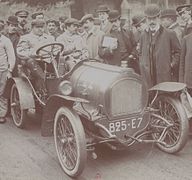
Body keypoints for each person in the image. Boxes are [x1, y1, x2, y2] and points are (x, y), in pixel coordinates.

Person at [139, 4, 181, 88]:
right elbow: (140, 53)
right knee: (149, 99)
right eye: (149, 19)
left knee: (164, 98)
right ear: (146, 19)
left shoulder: (169, 33)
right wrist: (143, 65)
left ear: (159, 18)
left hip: (164, 76)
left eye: (154, 18)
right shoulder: (143, 35)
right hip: (148, 77)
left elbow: (178, 52)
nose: (152, 22)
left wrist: (171, 65)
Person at [17, 19, 54, 95]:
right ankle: (43, 91)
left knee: (62, 60)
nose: (40, 29)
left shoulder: (50, 38)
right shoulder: (26, 38)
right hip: (34, 62)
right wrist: (32, 54)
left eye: (42, 27)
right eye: (38, 27)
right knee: (31, 62)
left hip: (48, 61)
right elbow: (20, 52)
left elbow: (55, 49)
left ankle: (61, 85)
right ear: (32, 28)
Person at [0, 20, 16, 123]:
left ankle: (1, 114)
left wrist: (10, 70)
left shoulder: (5, 41)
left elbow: (11, 57)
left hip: (3, 70)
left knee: (2, 93)